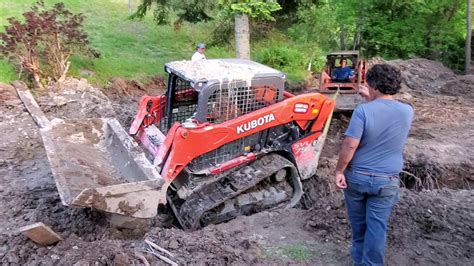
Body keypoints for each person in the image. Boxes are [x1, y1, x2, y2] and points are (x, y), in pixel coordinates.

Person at [334, 64, 413, 266]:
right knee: (377, 228)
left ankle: (358, 262)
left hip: (358, 178)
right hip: (387, 181)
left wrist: (339, 171)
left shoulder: (363, 111)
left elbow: (350, 145)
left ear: (374, 86)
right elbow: (386, 110)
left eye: (369, 85)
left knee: (359, 228)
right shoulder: (407, 111)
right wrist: (371, 97)